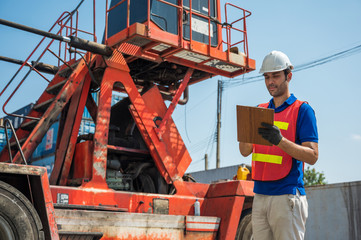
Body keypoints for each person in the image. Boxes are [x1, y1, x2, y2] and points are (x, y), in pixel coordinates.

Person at [239, 50, 319, 240]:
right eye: (267, 77)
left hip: (287, 196)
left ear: (288, 76)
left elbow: (313, 156)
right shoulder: (260, 110)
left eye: (275, 76)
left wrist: (280, 141)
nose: (270, 82)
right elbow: (244, 151)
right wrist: (244, 127)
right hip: (259, 196)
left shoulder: (302, 110)